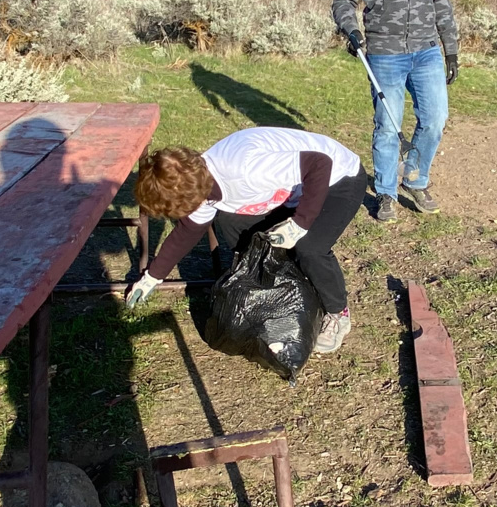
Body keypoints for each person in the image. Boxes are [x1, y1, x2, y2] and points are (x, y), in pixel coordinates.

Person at [123, 127, 367, 353]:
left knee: (310, 247)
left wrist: (300, 223)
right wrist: (152, 277)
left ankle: (338, 312)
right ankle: (272, 285)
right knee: (231, 221)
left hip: (338, 178)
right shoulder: (198, 184)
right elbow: (187, 231)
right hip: (293, 190)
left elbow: (319, 163)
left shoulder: (246, 168)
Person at [332, 0, 458, 222]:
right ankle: (386, 192)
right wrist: (351, 29)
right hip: (384, 51)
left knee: (435, 118)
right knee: (388, 125)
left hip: (427, 48)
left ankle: (415, 179)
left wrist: (450, 47)